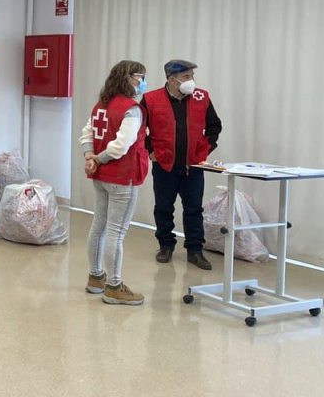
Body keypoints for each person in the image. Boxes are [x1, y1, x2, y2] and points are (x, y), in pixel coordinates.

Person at [141, 59, 223, 270]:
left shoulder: (201, 97)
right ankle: (165, 246)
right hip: (164, 165)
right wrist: (150, 150)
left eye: (192, 76)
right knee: (163, 207)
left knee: (194, 208)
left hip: (193, 166)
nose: (191, 80)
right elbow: (139, 128)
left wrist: (203, 151)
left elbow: (214, 126)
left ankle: (195, 250)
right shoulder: (151, 99)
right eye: (186, 77)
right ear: (171, 79)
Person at [80, 61, 150, 306]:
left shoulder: (102, 103)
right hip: (122, 175)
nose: (142, 82)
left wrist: (90, 157)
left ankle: (96, 277)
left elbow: (87, 133)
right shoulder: (132, 109)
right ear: (129, 78)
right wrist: (97, 158)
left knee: (98, 226)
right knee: (115, 232)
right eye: (140, 77)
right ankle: (114, 286)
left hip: (101, 176)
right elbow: (122, 145)